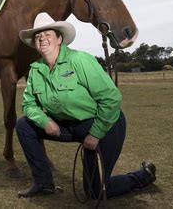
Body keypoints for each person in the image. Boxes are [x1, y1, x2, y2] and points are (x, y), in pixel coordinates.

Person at [15, 12, 156, 199]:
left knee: (95, 190)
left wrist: (96, 133)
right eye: (38, 36)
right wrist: (44, 121)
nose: (42, 39)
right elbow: (29, 104)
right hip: (67, 126)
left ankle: (143, 176)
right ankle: (43, 183)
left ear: (59, 39)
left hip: (103, 125)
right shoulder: (35, 70)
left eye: (47, 34)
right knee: (24, 126)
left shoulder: (80, 60)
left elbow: (111, 98)